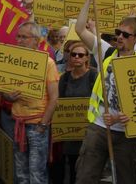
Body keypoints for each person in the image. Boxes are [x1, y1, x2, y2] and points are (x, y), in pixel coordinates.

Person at [74, 0, 136, 184]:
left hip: (125, 133)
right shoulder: (107, 52)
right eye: (118, 32)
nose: (119, 37)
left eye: (125, 35)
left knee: (126, 178)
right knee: (85, 177)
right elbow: (79, 29)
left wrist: (128, 115)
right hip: (98, 127)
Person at [6, 21, 59, 184]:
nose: (19, 40)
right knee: (21, 174)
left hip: (37, 125)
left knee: (36, 173)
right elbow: (4, 91)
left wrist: (43, 124)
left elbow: (54, 97)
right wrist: (9, 96)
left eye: (24, 37)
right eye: (18, 37)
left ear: (36, 40)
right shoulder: (11, 61)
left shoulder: (48, 63)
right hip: (18, 123)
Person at [51, 41, 97, 184]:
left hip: (89, 131)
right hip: (70, 132)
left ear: (86, 58)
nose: (77, 57)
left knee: (88, 168)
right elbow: (58, 101)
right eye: (73, 54)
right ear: (69, 57)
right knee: (72, 166)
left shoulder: (94, 76)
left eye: (80, 55)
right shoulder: (64, 78)